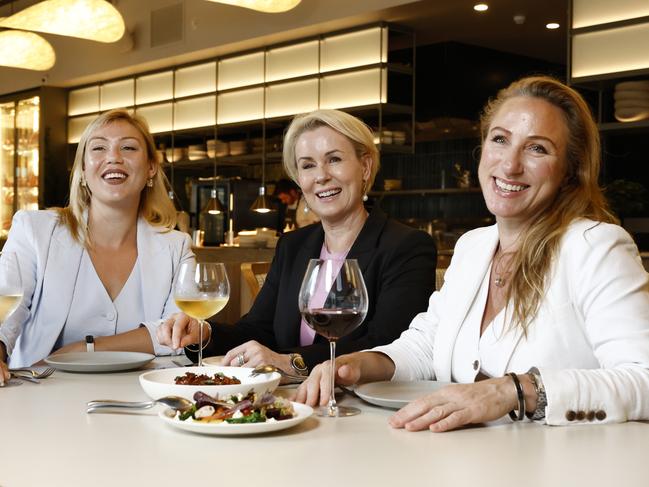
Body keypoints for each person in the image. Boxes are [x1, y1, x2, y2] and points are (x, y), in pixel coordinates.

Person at [297, 76, 649, 429]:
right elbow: (425, 344)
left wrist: (514, 390)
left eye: (537, 148)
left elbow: (644, 380)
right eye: (500, 140)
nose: (509, 165)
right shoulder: (474, 246)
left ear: (570, 172)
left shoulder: (597, 246)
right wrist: (357, 364)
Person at [157, 109, 437, 376]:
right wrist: (204, 333)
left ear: (365, 167)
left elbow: (389, 345)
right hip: (290, 403)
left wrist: (291, 362)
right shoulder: (292, 245)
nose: (321, 175)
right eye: (308, 165)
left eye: (335, 159)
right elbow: (258, 329)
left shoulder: (407, 246)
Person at [0, 109, 195, 383]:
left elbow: (176, 333)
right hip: (40, 394)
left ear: (151, 167)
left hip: (138, 398)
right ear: (82, 169)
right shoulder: (34, 230)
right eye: (99, 148)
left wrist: (85, 349)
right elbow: (6, 308)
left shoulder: (177, 247)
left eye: (128, 147)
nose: (113, 157)